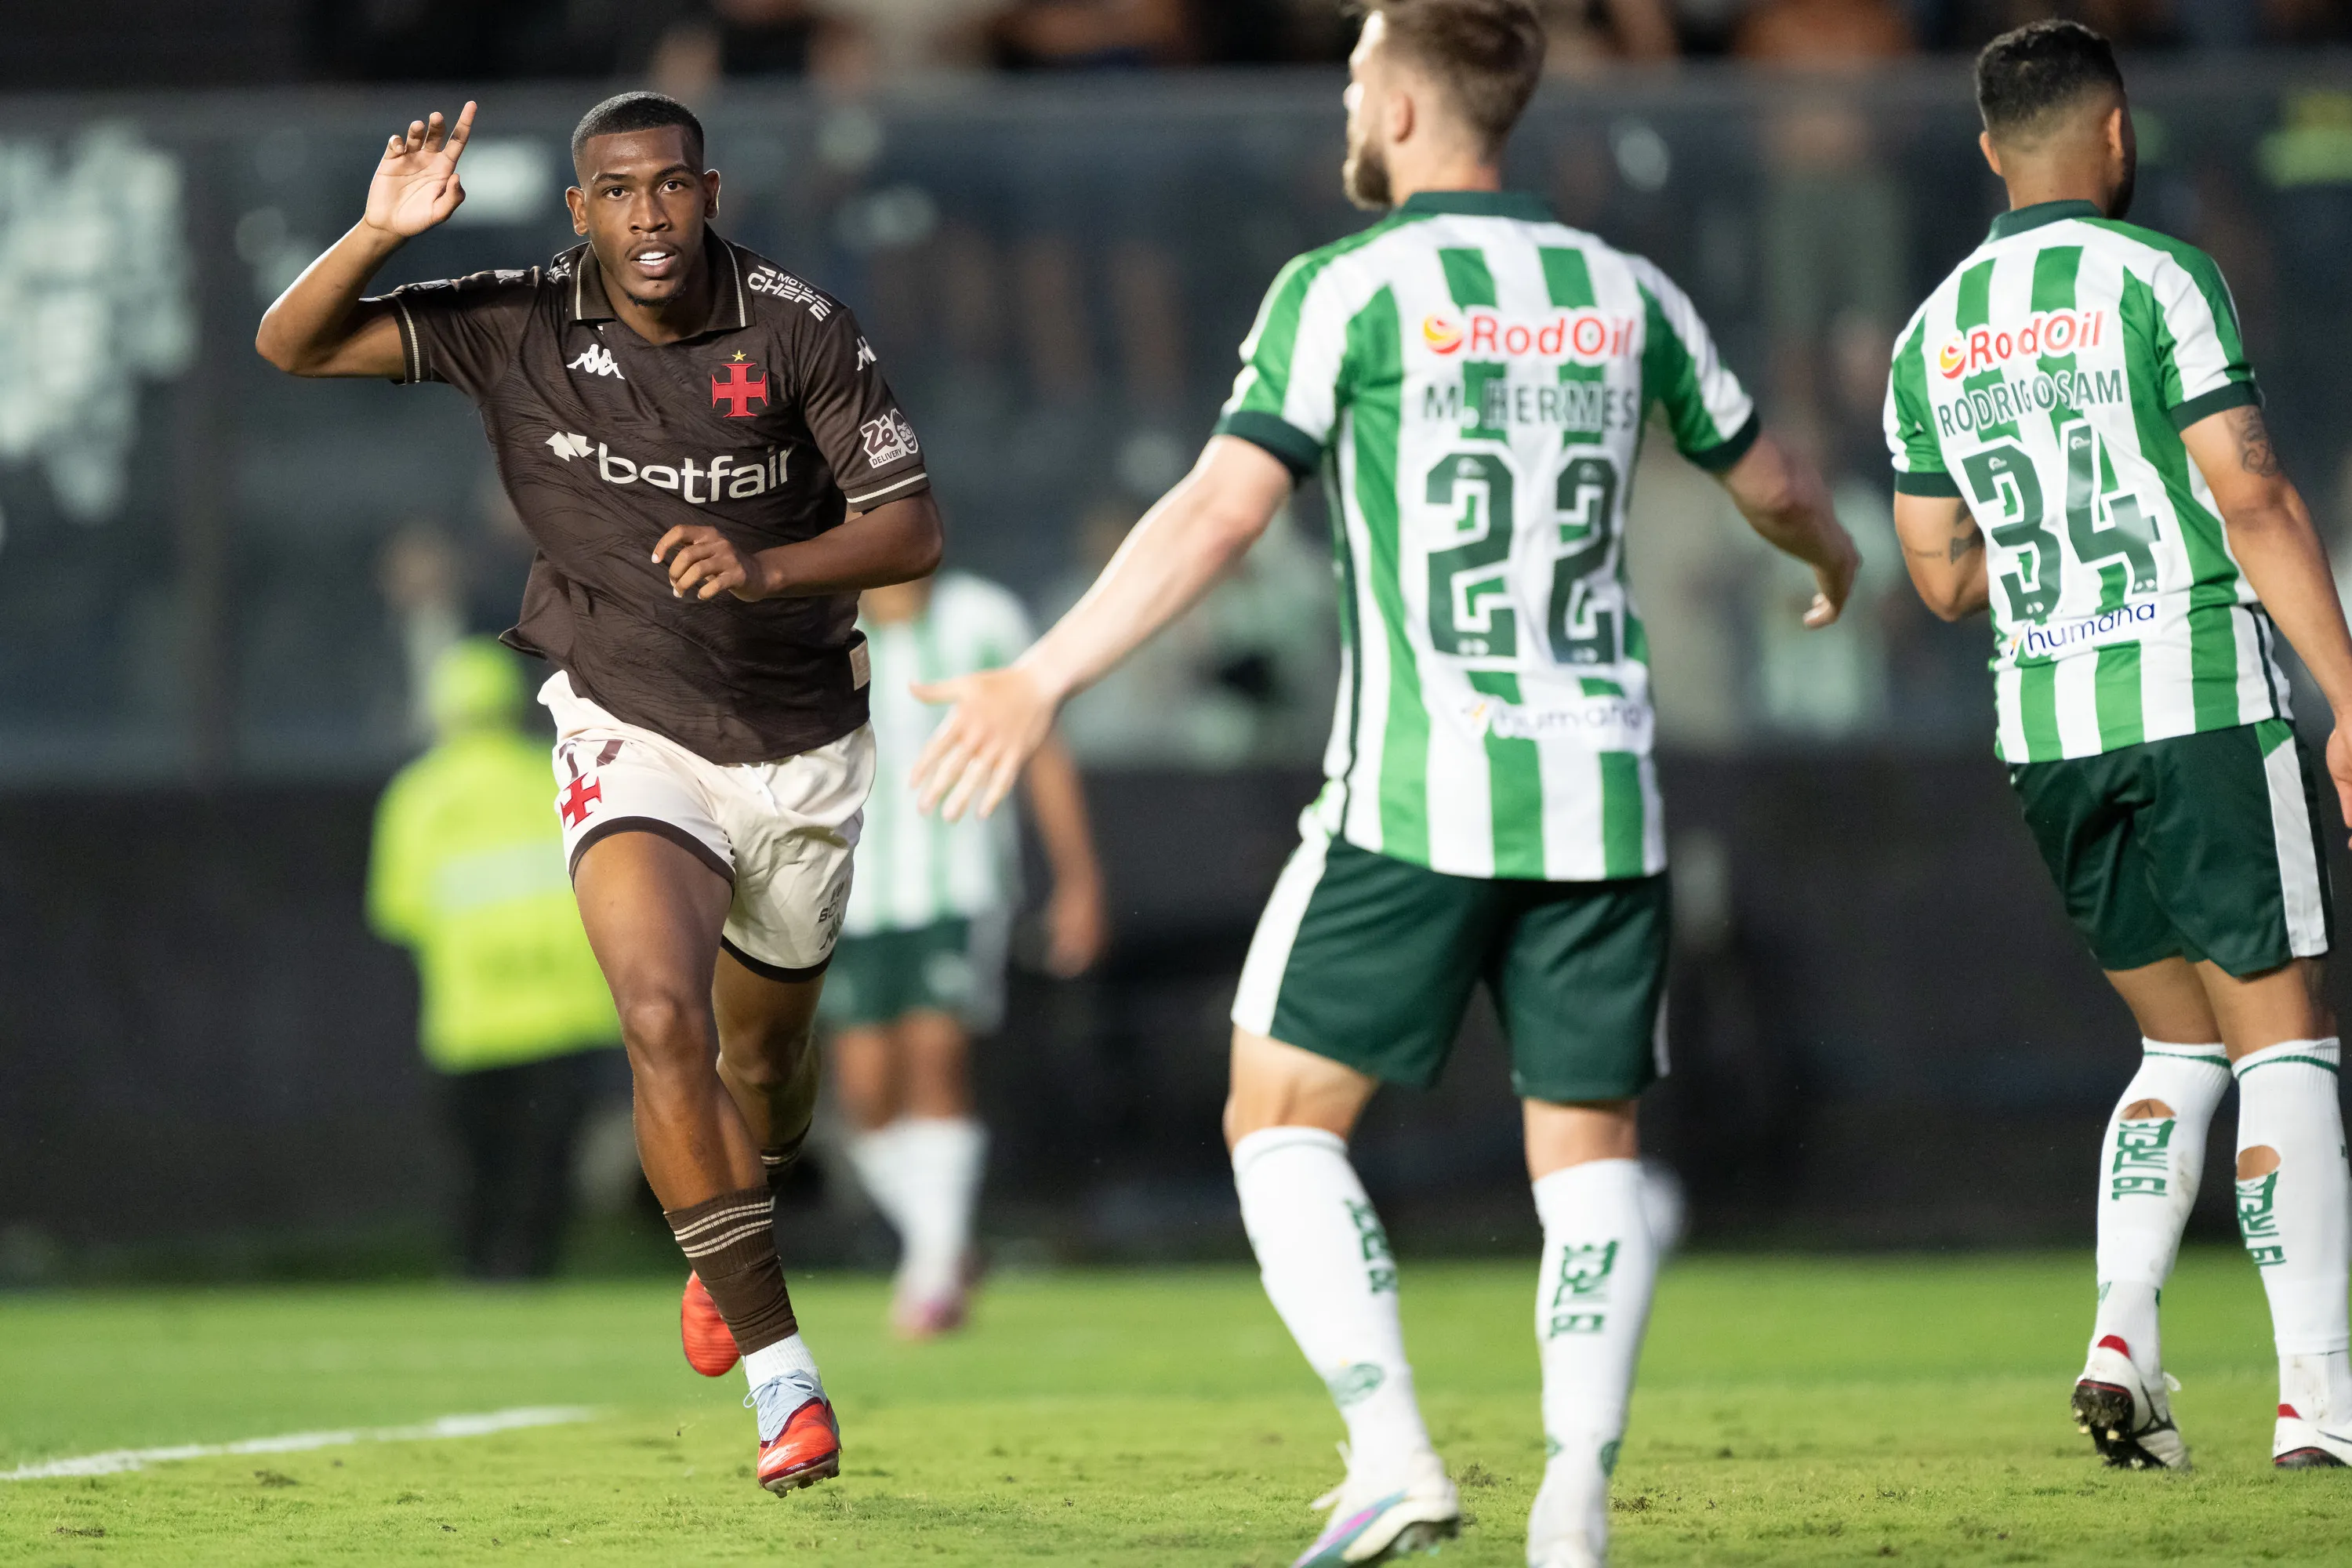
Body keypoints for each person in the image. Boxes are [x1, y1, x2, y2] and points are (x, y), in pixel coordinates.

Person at [908, 4, 1858, 1563]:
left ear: (1407, 114)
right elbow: (1777, 484)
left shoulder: (1344, 289)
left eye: (1357, 79)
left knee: (1278, 1116)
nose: (1345, 103)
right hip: (1603, 795)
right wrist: (1825, 560)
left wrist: (1042, 675)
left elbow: (1219, 511)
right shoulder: (1629, 293)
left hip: (1415, 792)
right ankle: (1574, 1503)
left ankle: (1395, 1450)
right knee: (1590, 1157)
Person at [256, 90, 946, 1495]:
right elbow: (292, 341)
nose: (647, 215)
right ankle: (786, 1383)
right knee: (654, 1015)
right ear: (582, 210)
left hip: (801, 739)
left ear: (708, 193)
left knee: (765, 1073)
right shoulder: (517, 319)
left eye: (671, 188)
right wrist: (376, 232)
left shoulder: (796, 324)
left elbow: (912, 528)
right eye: (618, 193)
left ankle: (727, 1221)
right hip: (626, 718)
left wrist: (764, 567)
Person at [1886, 20, 2352, 1472]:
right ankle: (2322, 1400)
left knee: (2171, 1045)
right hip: (2201, 699)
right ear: (2118, 135)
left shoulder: (1931, 331)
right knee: (2286, 1046)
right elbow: (2256, 500)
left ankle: (2124, 1340)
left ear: (1986, 154)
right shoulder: (2159, 278)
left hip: (2050, 732)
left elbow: (1943, 579)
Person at [824, 572, 1105, 1338]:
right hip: (851, 893)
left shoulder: (984, 616)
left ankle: (933, 1271)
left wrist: (1078, 879)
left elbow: (1043, 747)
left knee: (937, 1051)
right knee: (865, 1091)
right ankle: (943, 1244)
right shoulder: (817, 625)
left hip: (960, 884)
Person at [368, 639, 621, 1280]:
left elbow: (399, 912)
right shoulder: (561, 776)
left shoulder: (417, 797)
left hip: (469, 1020)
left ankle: (476, 1273)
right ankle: (529, 1271)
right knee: (543, 1169)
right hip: (565, 1014)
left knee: (477, 1167)